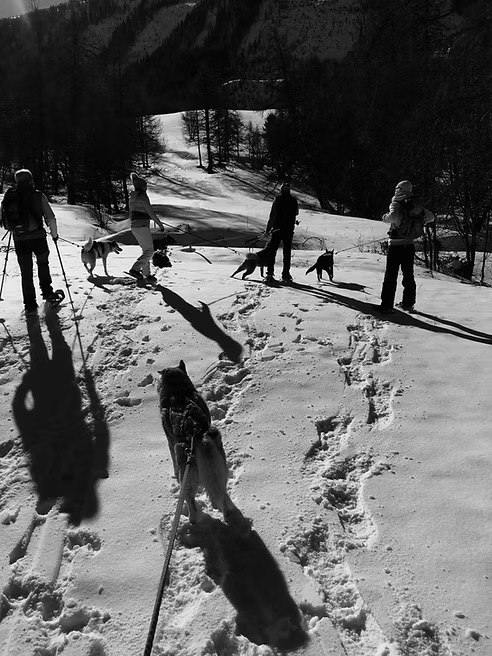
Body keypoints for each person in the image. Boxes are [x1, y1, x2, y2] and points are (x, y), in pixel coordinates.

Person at [0, 169, 59, 316]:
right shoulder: (39, 196)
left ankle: (30, 305)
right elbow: (50, 218)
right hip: (38, 237)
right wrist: (54, 234)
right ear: (31, 180)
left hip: (20, 239)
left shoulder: (9, 198)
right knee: (43, 264)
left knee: (26, 272)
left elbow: (5, 220)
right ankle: (47, 293)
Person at [379, 180, 435, 314]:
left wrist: (384, 217)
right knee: (408, 275)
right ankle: (408, 303)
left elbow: (392, 217)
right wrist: (420, 222)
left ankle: (386, 305)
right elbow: (431, 217)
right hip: (409, 244)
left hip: (395, 245)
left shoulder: (396, 202)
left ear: (398, 189)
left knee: (390, 276)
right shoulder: (415, 204)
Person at [127, 172, 165, 283]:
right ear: (142, 186)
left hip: (135, 226)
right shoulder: (143, 196)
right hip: (142, 226)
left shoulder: (132, 197)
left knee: (146, 251)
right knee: (149, 251)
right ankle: (135, 269)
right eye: (145, 186)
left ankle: (147, 275)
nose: (146, 188)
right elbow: (151, 213)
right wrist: (160, 225)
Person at [265, 182, 299, 283]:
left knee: (272, 251)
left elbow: (273, 216)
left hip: (277, 229)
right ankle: (286, 275)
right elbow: (296, 213)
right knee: (287, 252)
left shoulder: (278, 199)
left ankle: (270, 274)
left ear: (281, 190)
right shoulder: (294, 200)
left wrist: (268, 230)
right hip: (288, 230)